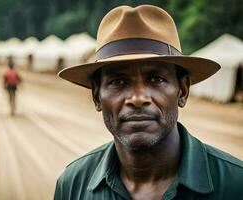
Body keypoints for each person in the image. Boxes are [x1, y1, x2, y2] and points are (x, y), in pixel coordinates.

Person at [54, 5, 243, 200]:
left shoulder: (235, 185)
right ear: (96, 95)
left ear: (183, 90)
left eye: (156, 79)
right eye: (119, 81)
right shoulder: (72, 186)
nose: (137, 99)